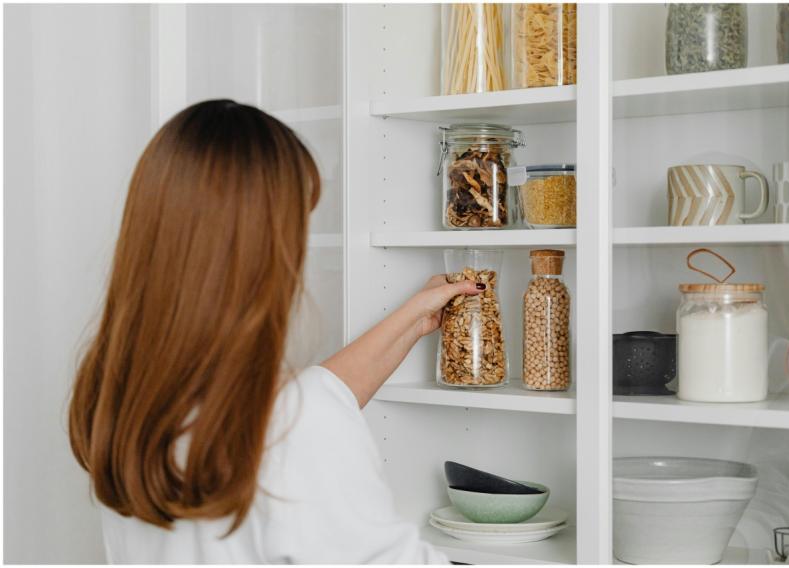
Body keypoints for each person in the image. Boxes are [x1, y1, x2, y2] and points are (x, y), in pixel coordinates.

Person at [68, 100, 484, 563]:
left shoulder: (126, 402)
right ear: (261, 248)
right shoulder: (301, 426)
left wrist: (412, 319)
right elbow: (299, 419)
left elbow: (301, 401)